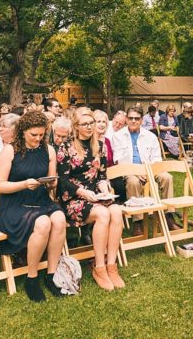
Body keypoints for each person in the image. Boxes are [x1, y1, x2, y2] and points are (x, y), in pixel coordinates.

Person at [0, 111, 66, 302]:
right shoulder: (10, 150)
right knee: (43, 223)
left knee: (59, 219)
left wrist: (52, 183)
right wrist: (24, 184)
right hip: (15, 203)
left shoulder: (48, 150)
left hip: (41, 199)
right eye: (34, 135)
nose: (38, 139)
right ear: (23, 131)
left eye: (42, 135)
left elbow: (51, 181)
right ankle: (32, 278)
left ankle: (51, 275)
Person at [55, 109, 125, 291]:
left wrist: (104, 188)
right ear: (76, 126)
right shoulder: (66, 147)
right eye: (84, 124)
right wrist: (82, 192)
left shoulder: (100, 146)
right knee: (103, 214)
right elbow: (62, 181)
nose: (89, 127)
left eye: (91, 123)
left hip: (95, 196)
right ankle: (99, 267)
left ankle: (111, 265)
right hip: (73, 198)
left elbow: (101, 175)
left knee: (116, 211)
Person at [111, 106, 178, 234]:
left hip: (150, 169)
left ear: (141, 120)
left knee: (167, 177)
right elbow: (119, 160)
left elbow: (156, 158)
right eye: (130, 118)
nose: (133, 121)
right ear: (126, 119)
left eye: (136, 118)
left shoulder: (150, 136)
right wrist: (136, 172)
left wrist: (148, 172)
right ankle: (138, 221)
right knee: (133, 182)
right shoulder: (118, 136)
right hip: (129, 170)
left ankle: (169, 215)